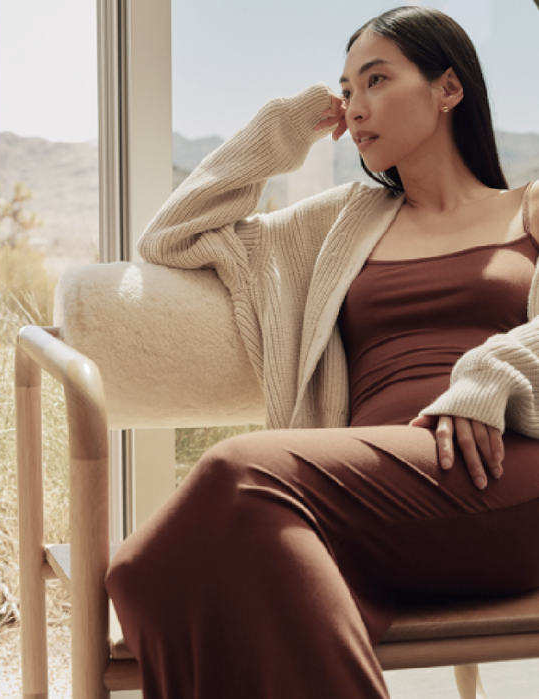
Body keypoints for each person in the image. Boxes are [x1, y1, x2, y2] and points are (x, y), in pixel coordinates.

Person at [104, 6, 539, 698]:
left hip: (500, 468)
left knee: (238, 470)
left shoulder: (529, 207)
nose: (355, 107)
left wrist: (492, 371)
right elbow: (173, 238)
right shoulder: (340, 221)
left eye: (375, 80)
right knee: (140, 569)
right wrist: (279, 132)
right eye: (346, 90)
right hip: (372, 496)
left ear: (448, 88)